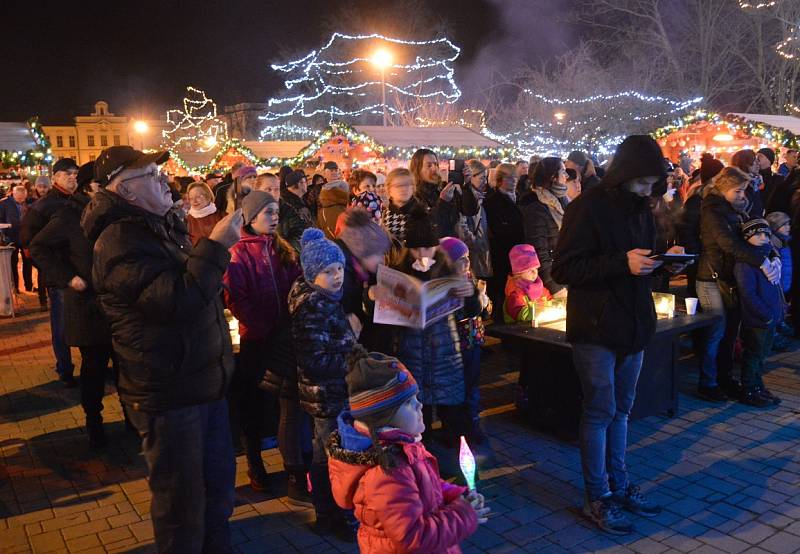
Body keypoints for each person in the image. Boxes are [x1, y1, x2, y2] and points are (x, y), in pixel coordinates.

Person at [82, 145, 242, 552]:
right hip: (169, 394)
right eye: (152, 175)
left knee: (216, 492)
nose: (165, 180)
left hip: (201, 384)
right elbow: (176, 301)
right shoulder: (119, 239)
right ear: (126, 191)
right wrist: (216, 246)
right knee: (181, 507)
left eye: (159, 172)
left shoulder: (159, 225)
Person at [553, 135, 691, 535]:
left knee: (623, 410)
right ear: (627, 172)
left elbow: (641, 262)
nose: (651, 189)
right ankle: (597, 495)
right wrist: (620, 263)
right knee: (599, 411)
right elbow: (564, 269)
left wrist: (665, 265)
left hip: (634, 323)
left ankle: (621, 483)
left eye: (655, 183)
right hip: (595, 327)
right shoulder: (587, 207)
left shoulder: (644, 210)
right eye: (645, 181)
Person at [327, 347, 485, 553]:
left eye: (417, 398)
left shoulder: (402, 447)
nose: (420, 406)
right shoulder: (387, 472)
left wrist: (457, 496)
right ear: (383, 418)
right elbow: (413, 537)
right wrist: (464, 515)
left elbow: (428, 486)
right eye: (409, 403)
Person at [223, 191, 305, 496]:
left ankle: (293, 465)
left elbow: (297, 284)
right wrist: (265, 326)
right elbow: (237, 299)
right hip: (257, 341)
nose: (274, 218)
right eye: (268, 213)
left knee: (286, 404)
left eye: (276, 213)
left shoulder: (282, 248)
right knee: (254, 405)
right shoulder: (238, 253)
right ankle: (255, 461)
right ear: (251, 217)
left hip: (286, 339)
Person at [28, 164, 114, 448]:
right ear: (91, 188)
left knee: (125, 365)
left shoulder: (111, 211)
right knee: (94, 367)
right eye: (102, 185)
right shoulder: (67, 215)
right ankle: (94, 423)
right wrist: (68, 277)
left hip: (115, 304)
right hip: (87, 305)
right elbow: (37, 246)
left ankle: (132, 419)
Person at [288, 228, 358, 541]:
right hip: (325, 394)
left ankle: (328, 512)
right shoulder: (313, 306)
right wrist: (352, 342)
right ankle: (332, 514)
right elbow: (315, 361)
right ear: (312, 274)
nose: (337, 276)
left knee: (324, 452)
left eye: (340, 268)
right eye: (328, 271)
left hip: (329, 393)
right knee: (331, 456)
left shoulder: (325, 298)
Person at [389, 207, 474, 451]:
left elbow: (470, 311)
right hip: (412, 357)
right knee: (418, 423)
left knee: (453, 421)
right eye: (416, 249)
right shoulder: (399, 272)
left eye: (427, 247)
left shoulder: (448, 269)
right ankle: (424, 470)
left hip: (445, 358)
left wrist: (471, 295)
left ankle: (460, 472)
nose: (422, 254)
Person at [695, 167, 778, 402]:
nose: (743, 195)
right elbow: (727, 243)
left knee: (730, 333)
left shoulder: (734, 209)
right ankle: (708, 382)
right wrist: (760, 261)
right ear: (724, 189)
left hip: (728, 277)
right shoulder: (712, 210)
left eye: (744, 191)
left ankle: (724, 377)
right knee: (717, 331)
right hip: (711, 277)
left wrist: (771, 256)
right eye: (738, 190)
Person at [20, 158, 79, 386]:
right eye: (67, 174)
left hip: (81, 273)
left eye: (75, 173)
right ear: (55, 177)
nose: (72, 177)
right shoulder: (42, 207)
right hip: (60, 279)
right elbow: (29, 246)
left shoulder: (79, 201)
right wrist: (55, 272)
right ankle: (65, 369)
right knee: (62, 328)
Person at [439, 236, 489, 443]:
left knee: (472, 388)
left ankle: (472, 425)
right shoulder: (443, 286)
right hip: (453, 347)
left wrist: (485, 304)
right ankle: (452, 429)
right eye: (461, 259)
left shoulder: (470, 280)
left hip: (473, 342)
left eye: (467, 257)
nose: (467, 263)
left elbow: (480, 313)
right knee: (452, 390)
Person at [733, 218, 784, 407]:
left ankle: (757, 385)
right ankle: (748, 389)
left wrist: (778, 311)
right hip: (758, 319)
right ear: (747, 237)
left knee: (762, 355)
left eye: (766, 234)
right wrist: (766, 314)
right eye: (758, 234)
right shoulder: (745, 264)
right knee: (753, 355)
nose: (764, 237)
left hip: (769, 318)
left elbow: (774, 289)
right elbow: (748, 294)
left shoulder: (768, 259)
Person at [335, 207, 391, 352]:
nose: (382, 260)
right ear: (362, 252)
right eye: (376, 255)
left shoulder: (364, 271)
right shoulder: (341, 273)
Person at [676, 154, 725, 298]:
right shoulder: (697, 199)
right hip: (700, 260)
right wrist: (696, 254)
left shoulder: (717, 198)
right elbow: (686, 229)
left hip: (712, 258)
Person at [520, 157, 569, 298]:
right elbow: (539, 251)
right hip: (554, 280)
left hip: (567, 273)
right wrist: (555, 287)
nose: (566, 176)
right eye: (563, 172)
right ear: (553, 177)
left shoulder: (564, 201)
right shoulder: (537, 207)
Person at [484, 162, 524, 316]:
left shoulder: (520, 197)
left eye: (515, 176)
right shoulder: (492, 201)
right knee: (502, 289)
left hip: (519, 253)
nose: (513, 180)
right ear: (500, 179)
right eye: (509, 177)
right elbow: (496, 229)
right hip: (502, 253)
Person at [409, 148, 478, 238]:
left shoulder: (444, 188)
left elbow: (470, 210)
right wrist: (443, 202)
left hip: (451, 245)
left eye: (436, 164)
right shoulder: (413, 195)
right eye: (429, 165)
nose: (434, 168)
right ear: (418, 169)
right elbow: (428, 225)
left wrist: (467, 186)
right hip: (431, 249)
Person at [457, 159, 492, 283]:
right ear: (471, 177)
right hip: (473, 256)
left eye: (486, 178)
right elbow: (462, 226)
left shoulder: (482, 198)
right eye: (482, 178)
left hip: (482, 254)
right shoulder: (465, 198)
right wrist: (476, 244)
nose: (485, 182)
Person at [503, 244, 549, 323]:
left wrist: (558, 306)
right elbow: (521, 314)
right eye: (529, 270)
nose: (535, 272)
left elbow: (550, 299)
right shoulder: (515, 294)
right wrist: (541, 311)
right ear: (518, 273)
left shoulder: (540, 288)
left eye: (536, 268)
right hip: (517, 332)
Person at [0, 185, 34, 292]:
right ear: (13, 194)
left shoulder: (30, 202)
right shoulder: (4, 203)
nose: (20, 201)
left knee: (28, 262)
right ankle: (15, 287)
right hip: (11, 238)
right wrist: (4, 233)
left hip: (26, 238)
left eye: (22, 198)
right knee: (13, 263)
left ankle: (29, 286)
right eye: (18, 198)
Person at [380, 167, 420, 243]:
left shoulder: (422, 213)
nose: (404, 189)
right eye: (398, 186)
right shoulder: (383, 215)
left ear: (413, 187)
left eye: (407, 185)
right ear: (389, 190)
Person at [279, 169, 315, 253]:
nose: (307, 184)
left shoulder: (298, 201)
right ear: (300, 184)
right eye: (305, 181)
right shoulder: (291, 206)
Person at [186, 181, 225, 247]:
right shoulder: (187, 220)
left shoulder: (222, 216)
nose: (194, 201)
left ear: (208, 196)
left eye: (198, 197)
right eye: (191, 198)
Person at [731, 149, 765, 219]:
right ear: (744, 163)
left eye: (757, 161)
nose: (758, 163)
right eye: (754, 161)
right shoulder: (739, 185)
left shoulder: (755, 182)